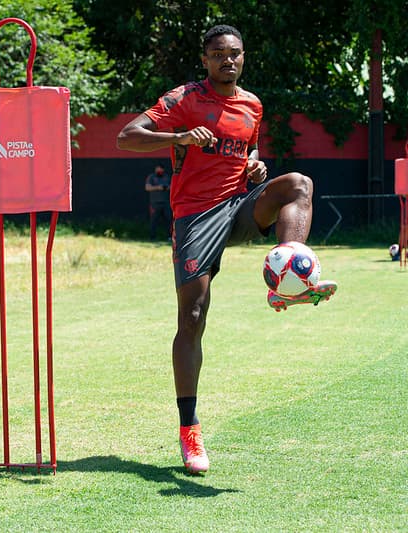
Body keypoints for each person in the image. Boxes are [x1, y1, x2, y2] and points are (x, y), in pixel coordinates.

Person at [116, 24, 336, 474]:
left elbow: (248, 155)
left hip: (236, 207)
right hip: (194, 216)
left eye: (234, 53)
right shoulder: (183, 99)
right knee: (192, 317)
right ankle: (189, 430)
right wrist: (177, 138)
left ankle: (292, 279)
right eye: (218, 54)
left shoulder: (252, 104)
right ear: (205, 59)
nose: (227, 61)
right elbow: (127, 136)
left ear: (243, 57)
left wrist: (255, 169)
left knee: (298, 185)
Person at [145, 164, 172, 240]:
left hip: (166, 203)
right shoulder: (151, 177)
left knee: (168, 220)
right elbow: (147, 187)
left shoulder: (167, 177)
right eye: (158, 169)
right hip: (155, 203)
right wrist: (158, 187)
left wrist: (167, 188)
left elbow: (173, 187)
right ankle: (152, 237)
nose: (160, 171)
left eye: (161, 169)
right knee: (153, 221)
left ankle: (169, 237)